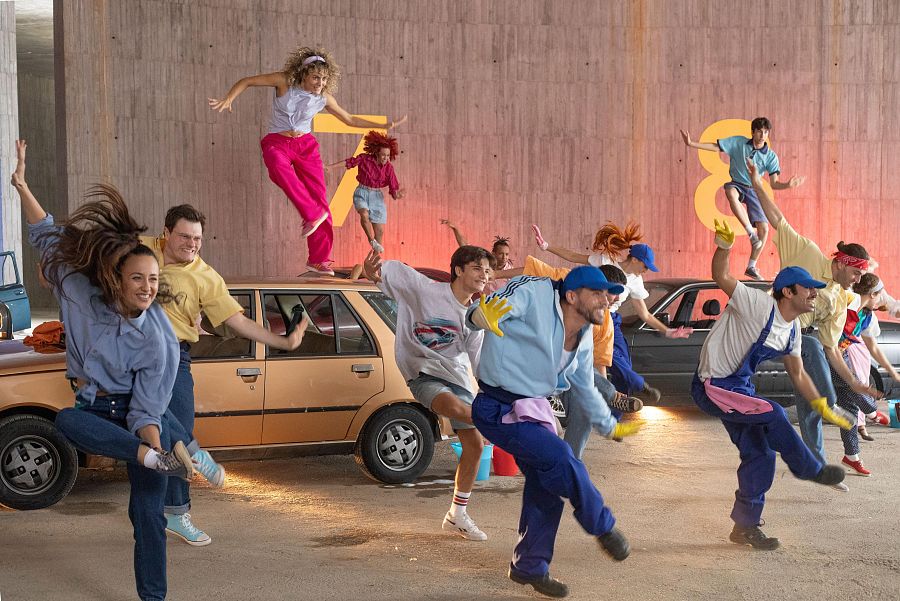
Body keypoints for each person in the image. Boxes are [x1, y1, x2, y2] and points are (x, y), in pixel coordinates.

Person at [12, 139, 225, 601]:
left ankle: (153, 597)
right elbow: (45, 233)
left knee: (147, 514)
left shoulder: (159, 338)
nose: (148, 288)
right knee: (66, 422)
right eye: (138, 279)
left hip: (137, 417)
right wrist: (22, 185)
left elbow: (146, 408)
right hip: (93, 410)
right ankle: (178, 450)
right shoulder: (77, 291)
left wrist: (150, 449)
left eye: (154, 280)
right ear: (116, 277)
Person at [466, 266, 640, 598]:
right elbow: (490, 308)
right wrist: (479, 317)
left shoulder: (585, 335)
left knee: (546, 483)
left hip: (533, 409)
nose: (607, 300)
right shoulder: (533, 294)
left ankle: (528, 566)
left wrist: (610, 425)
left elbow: (585, 387)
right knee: (562, 458)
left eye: (610, 295)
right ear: (572, 296)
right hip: (496, 407)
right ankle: (603, 527)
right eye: (598, 293)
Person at [141, 205, 307, 546]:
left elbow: (238, 322)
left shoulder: (206, 277)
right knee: (155, 432)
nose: (192, 244)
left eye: (198, 239)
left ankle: (175, 512)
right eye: (185, 236)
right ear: (166, 233)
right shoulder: (141, 249)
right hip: (134, 353)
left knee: (179, 430)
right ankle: (159, 500)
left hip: (176, 356)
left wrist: (283, 341)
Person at [691, 218, 848, 550]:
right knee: (773, 411)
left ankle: (744, 527)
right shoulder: (757, 303)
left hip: (739, 390)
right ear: (788, 291)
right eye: (809, 289)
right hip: (713, 385)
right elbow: (722, 276)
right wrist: (725, 246)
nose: (814, 296)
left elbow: (799, 375)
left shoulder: (792, 332)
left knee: (761, 454)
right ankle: (810, 468)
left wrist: (821, 404)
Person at [209, 46, 407, 275]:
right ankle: (310, 214)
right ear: (303, 74)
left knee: (322, 203)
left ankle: (318, 259)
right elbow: (247, 81)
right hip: (278, 142)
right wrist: (229, 98)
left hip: (305, 146)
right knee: (276, 167)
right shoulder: (283, 82)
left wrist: (383, 125)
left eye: (324, 79)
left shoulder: (323, 98)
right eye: (315, 77)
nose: (319, 83)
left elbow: (349, 119)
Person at [747, 159, 882, 490]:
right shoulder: (806, 251)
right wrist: (755, 182)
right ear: (840, 263)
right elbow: (777, 220)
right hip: (775, 326)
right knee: (811, 362)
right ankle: (833, 404)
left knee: (808, 408)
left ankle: (817, 467)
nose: (857, 280)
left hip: (801, 343)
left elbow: (831, 348)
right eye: (855, 274)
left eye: (862, 277)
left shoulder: (838, 298)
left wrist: (854, 381)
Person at [361, 246, 499, 541]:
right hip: (422, 372)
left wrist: (494, 390)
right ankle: (505, 425)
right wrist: (375, 274)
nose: (483, 275)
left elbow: (478, 363)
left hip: (457, 376)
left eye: (488, 271)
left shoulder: (476, 317)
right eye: (477, 268)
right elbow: (387, 273)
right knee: (460, 410)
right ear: (459, 270)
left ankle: (457, 515)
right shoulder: (425, 289)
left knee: (474, 445)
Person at [493, 256, 642, 459]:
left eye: (618, 296)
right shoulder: (561, 284)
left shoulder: (602, 322)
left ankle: (572, 460)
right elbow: (530, 268)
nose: (614, 300)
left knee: (587, 405)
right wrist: (494, 274)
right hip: (532, 367)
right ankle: (609, 396)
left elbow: (599, 362)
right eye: (611, 293)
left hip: (566, 376)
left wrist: (603, 393)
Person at [531, 222, 692, 401]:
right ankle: (638, 386)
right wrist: (546, 246)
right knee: (611, 359)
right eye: (646, 266)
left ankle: (618, 409)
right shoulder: (606, 260)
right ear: (636, 259)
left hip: (612, 319)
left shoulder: (636, 281)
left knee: (625, 363)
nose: (646, 271)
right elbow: (573, 256)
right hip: (593, 313)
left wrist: (667, 331)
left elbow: (645, 314)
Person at [680, 117, 805, 280]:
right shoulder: (739, 143)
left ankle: (751, 266)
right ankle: (750, 234)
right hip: (737, 183)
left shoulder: (771, 156)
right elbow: (716, 147)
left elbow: (774, 184)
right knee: (731, 193)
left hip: (754, 189)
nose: (762, 135)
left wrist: (787, 185)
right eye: (759, 131)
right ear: (752, 132)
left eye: (766, 132)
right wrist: (692, 144)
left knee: (765, 230)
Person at [832, 273, 895, 475]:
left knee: (848, 409)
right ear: (872, 294)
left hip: (842, 357)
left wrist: (893, 371)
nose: (883, 300)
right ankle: (872, 411)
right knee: (853, 385)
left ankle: (852, 457)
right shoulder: (846, 303)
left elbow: (874, 348)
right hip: (827, 356)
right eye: (881, 295)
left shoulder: (867, 316)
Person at [326, 130, 404, 253]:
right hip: (362, 192)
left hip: (377, 197)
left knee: (380, 231)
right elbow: (349, 162)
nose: (386, 158)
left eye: (388, 155)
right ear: (377, 153)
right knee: (364, 214)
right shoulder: (365, 159)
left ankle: (376, 262)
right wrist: (330, 167)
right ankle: (371, 240)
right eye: (383, 155)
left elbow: (393, 189)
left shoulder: (389, 168)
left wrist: (397, 195)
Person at [441, 219, 513, 293]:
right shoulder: (484, 262)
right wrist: (455, 228)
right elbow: (464, 246)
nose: (504, 257)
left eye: (507, 254)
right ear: (493, 253)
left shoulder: (511, 272)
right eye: (501, 254)